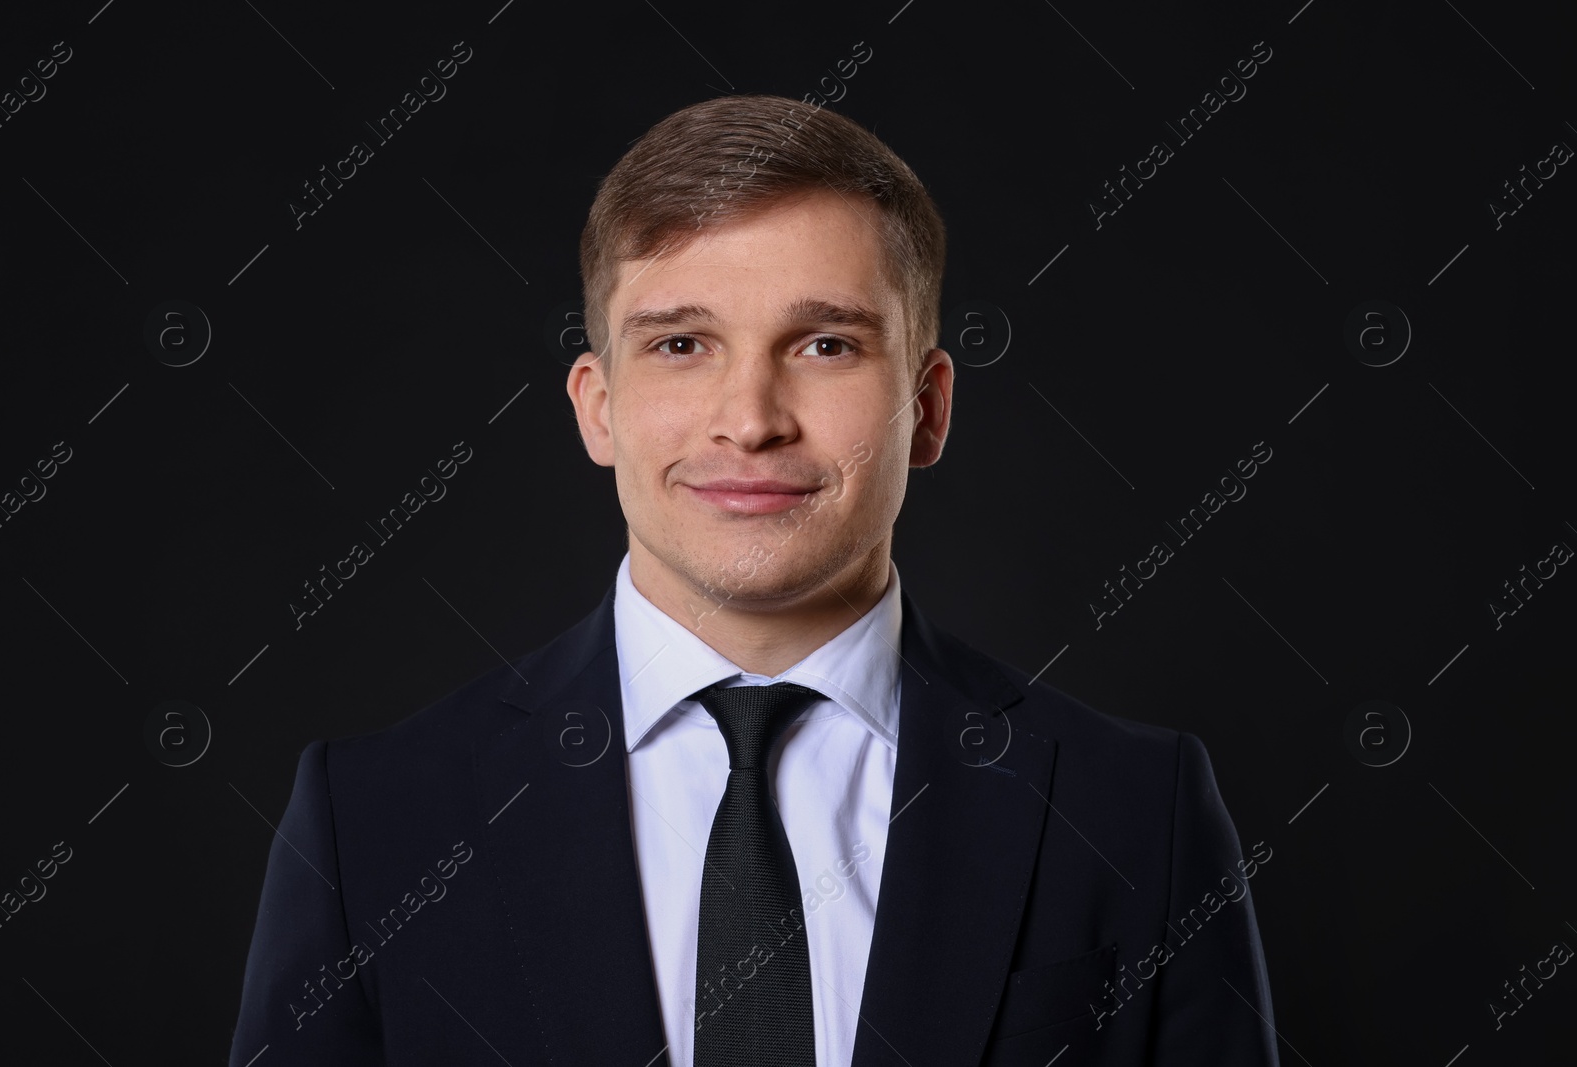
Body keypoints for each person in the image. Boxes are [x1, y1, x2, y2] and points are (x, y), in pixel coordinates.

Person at [229, 93, 1279, 1066]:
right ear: (597, 405)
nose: (751, 418)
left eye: (825, 343)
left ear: (928, 406)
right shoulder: (374, 821)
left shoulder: (1137, 811)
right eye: (682, 343)